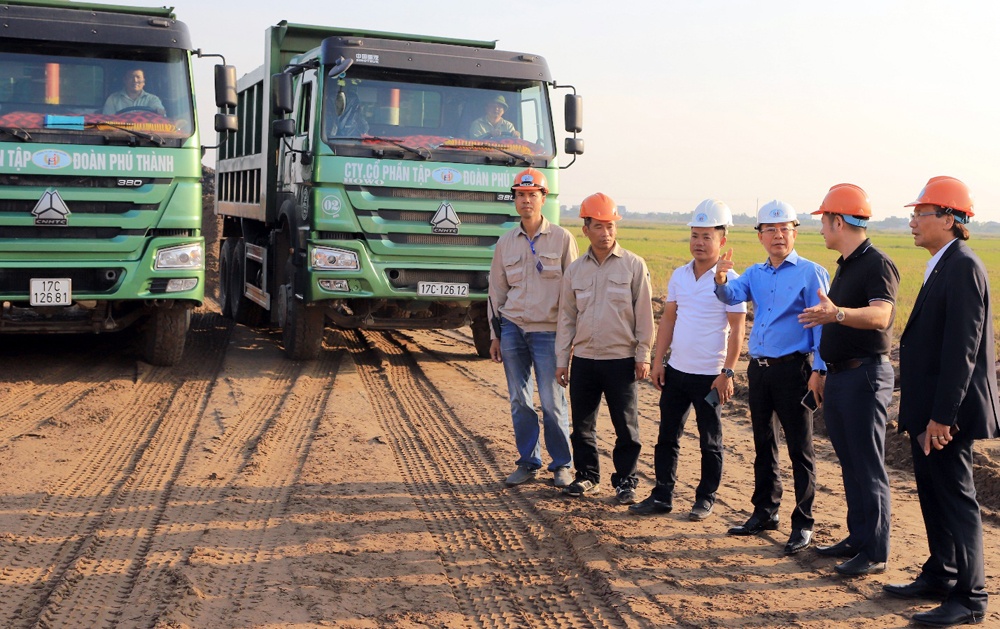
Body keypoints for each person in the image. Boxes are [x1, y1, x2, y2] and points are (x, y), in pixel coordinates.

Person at [882, 176, 998, 627]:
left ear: (949, 219)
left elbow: (962, 351)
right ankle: (941, 573)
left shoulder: (964, 266)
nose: (912, 221)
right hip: (930, 410)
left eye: (920, 214)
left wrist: (942, 417)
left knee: (956, 497)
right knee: (932, 493)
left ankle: (971, 596)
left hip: (948, 414)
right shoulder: (942, 263)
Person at [714, 200, 829, 555]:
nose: (778, 236)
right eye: (771, 230)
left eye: (785, 229)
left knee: (800, 449)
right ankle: (765, 512)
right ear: (761, 236)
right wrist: (720, 277)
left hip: (794, 370)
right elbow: (730, 295)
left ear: (795, 232)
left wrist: (819, 370)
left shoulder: (811, 272)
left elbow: (823, 325)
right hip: (760, 371)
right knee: (764, 445)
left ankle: (803, 523)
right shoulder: (755, 273)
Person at [797, 184, 899, 577]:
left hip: (866, 376)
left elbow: (881, 317)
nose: (820, 229)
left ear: (838, 221)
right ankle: (858, 538)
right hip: (841, 378)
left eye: (823, 221)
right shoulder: (846, 263)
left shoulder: (877, 264)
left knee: (867, 465)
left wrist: (836, 314)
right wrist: (822, 372)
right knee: (850, 464)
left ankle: (875, 553)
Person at [629, 199, 746, 520]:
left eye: (707, 236)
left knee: (710, 441)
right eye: (695, 235)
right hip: (677, 372)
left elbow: (738, 332)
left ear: (722, 241)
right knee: (667, 437)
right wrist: (657, 361)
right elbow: (668, 320)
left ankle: (705, 498)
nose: (699, 242)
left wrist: (728, 372)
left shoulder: (731, 280)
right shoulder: (680, 276)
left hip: (710, 376)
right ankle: (662, 494)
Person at [555, 192, 654, 505]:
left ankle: (626, 481)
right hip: (584, 359)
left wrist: (644, 355)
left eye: (610, 225)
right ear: (585, 229)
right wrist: (562, 361)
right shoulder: (574, 271)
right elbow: (566, 318)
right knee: (582, 425)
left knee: (626, 427)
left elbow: (644, 317)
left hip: (621, 360)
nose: (606, 232)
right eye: (598, 226)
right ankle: (587, 476)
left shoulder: (634, 266)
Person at [488, 168, 578, 488]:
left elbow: (573, 292)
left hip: (549, 332)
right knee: (519, 400)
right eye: (521, 195)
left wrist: (569, 340)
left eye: (532, 195)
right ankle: (528, 461)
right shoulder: (505, 243)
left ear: (543, 198)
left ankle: (562, 465)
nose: (526, 200)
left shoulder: (563, 240)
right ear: (515, 199)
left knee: (553, 402)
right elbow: (496, 292)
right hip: (512, 328)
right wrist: (495, 335)